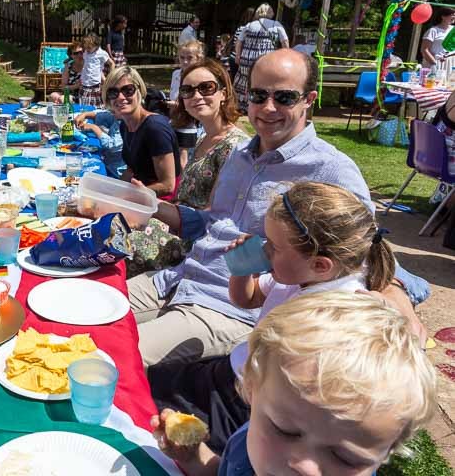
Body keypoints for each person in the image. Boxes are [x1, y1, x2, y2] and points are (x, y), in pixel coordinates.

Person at [127, 49, 428, 368]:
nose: (268, 108)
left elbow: (365, 249)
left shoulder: (330, 169)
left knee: (113, 358)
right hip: (178, 277)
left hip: (228, 307)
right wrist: (152, 205)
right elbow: (212, 223)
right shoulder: (240, 154)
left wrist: (397, 296)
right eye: (259, 95)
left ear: (308, 99)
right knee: (76, 314)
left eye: (284, 97)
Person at [151, 181, 397, 453]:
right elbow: (248, 298)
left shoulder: (334, 315)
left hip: (247, 404)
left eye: (274, 247)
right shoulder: (297, 274)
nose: (265, 250)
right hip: (229, 371)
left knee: (163, 429)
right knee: (154, 380)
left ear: (320, 264)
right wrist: (242, 270)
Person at [152, 291, 436, 476]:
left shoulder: (275, 428)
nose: (304, 467)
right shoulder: (247, 438)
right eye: (285, 431)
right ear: (250, 389)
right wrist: (196, 458)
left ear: (386, 453)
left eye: (346, 459)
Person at [127, 59, 249, 275]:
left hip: (196, 241)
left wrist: (150, 202)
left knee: (120, 244)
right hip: (175, 222)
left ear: (224, 92)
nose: (196, 96)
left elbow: (214, 216)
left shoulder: (235, 146)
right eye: (188, 90)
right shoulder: (204, 138)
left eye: (206, 88)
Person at [102, 66, 179, 198]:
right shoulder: (125, 126)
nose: (120, 97)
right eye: (113, 93)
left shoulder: (155, 128)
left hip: (162, 201)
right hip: (139, 193)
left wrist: (127, 196)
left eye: (128, 90)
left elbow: (168, 185)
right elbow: (132, 169)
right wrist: (112, 192)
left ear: (139, 91)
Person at [234, 3, 289, 110]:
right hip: (266, 60)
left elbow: (239, 42)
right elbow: (285, 42)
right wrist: (285, 56)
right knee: (263, 82)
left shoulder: (249, 25)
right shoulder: (275, 25)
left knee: (245, 81)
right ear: (271, 13)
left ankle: (243, 105)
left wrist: (238, 55)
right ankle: (259, 104)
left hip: (247, 59)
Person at [170, 40, 206, 167]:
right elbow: (174, 93)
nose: (185, 61)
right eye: (182, 57)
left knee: (184, 154)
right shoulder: (176, 74)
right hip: (176, 116)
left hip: (191, 120)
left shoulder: (200, 76)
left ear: (198, 59)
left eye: (189, 58)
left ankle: (183, 181)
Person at [73, 108, 126, 178]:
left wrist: (94, 128)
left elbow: (112, 146)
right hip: (108, 161)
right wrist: (85, 115)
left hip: (116, 173)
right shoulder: (119, 116)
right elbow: (105, 116)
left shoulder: (128, 122)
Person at [79, 33, 114, 107]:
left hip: (95, 85)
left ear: (96, 45)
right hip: (85, 84)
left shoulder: (101, 53)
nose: (87, 49)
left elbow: (111, 64)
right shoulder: (86, 53)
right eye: (86, 47)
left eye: (89, 47)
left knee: (97, 106)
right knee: (84, 106)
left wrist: (109, 77)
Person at [228, 7, 254, 79]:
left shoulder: (240, 28)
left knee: (234, 80)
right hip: (239, 59)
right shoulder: (246, 29)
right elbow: (238, 44)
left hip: (233, 57)